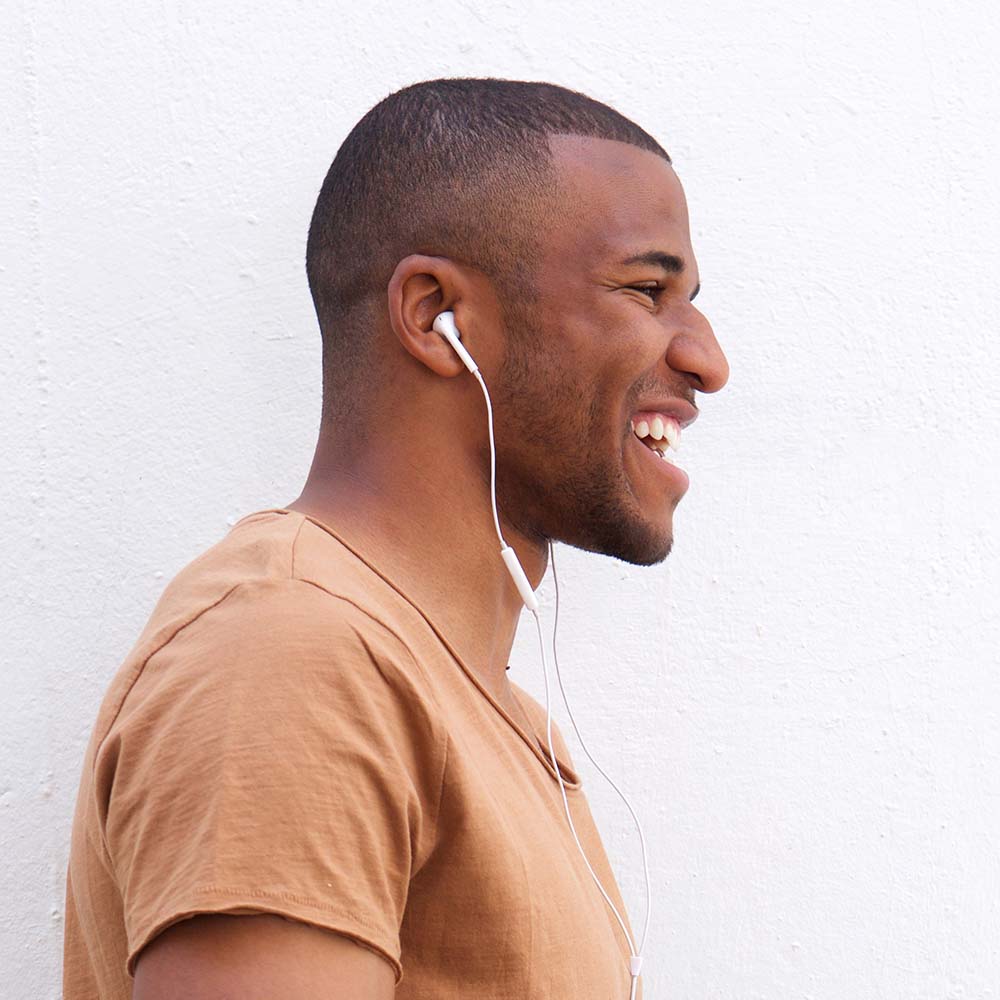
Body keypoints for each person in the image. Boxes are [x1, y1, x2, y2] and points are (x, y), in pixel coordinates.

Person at [63, 77, 729, 999]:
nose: (707, 359)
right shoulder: (295, 658)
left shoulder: (455, 697)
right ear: (432, 316)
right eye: (647, 289)